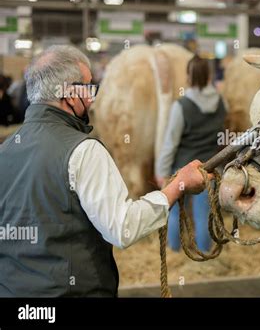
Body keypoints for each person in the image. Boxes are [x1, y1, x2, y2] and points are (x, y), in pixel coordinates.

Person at [0, 45, 212, 297]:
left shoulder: (6, 150)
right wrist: (177, 187)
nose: (92, 98)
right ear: (69, 93)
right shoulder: (83, 151)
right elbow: (123, 227)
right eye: (89, 88)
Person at [156, 55, 226, 252]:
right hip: (210, 169)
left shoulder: (181, 106)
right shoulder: (221, 102)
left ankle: (176, 252)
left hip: (183, 170)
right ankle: (205, 256)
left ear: (188, 76)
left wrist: (161, 171)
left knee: (176, 212)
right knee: (204, 215)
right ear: (209, 75)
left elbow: (170, 143)